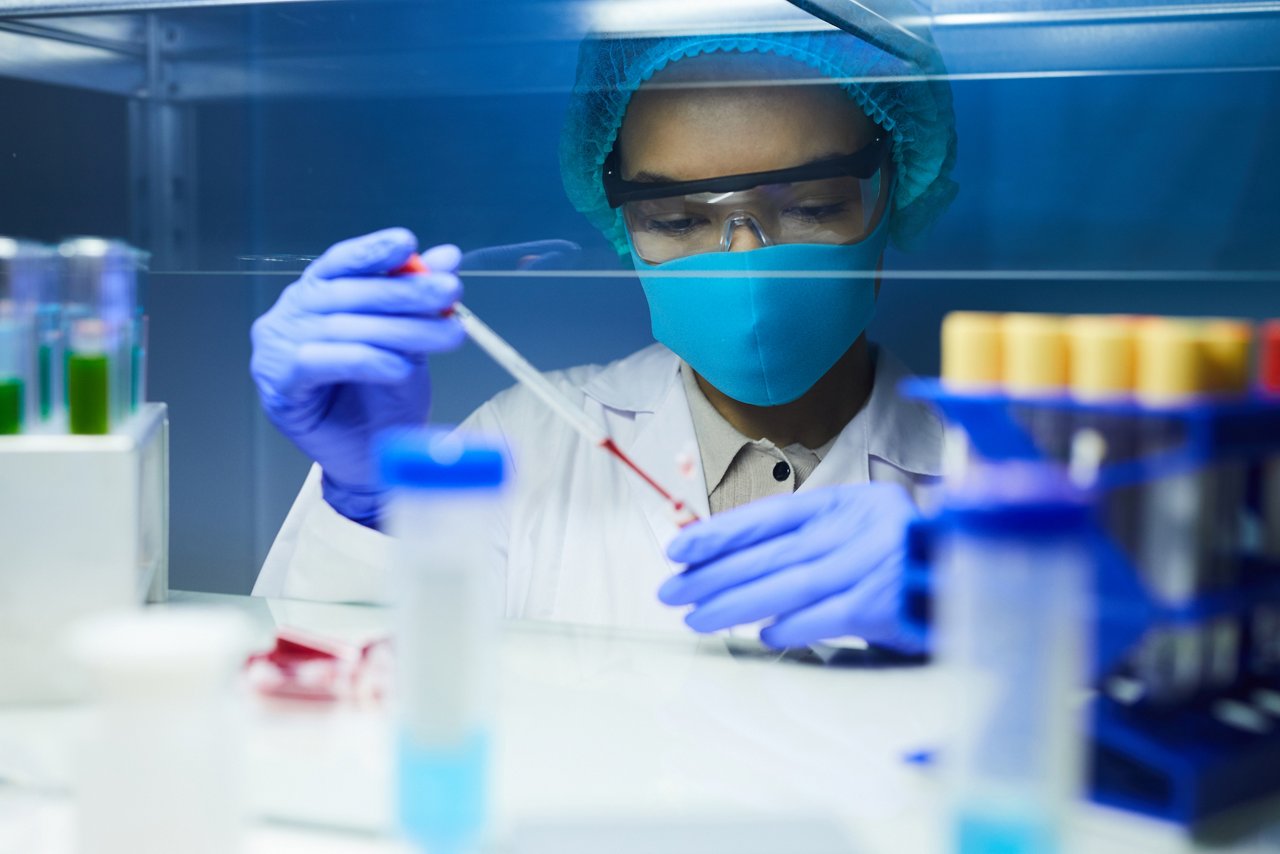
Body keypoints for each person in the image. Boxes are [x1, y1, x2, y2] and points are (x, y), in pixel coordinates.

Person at [250, 25, 958, 652]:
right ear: (622, 225)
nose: (742, 259)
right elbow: (334, 720)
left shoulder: (992, 470)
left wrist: (972, 604)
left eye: (811, 205)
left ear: (895, 188)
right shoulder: (523, 443)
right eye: (679, 220)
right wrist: (370, 503)